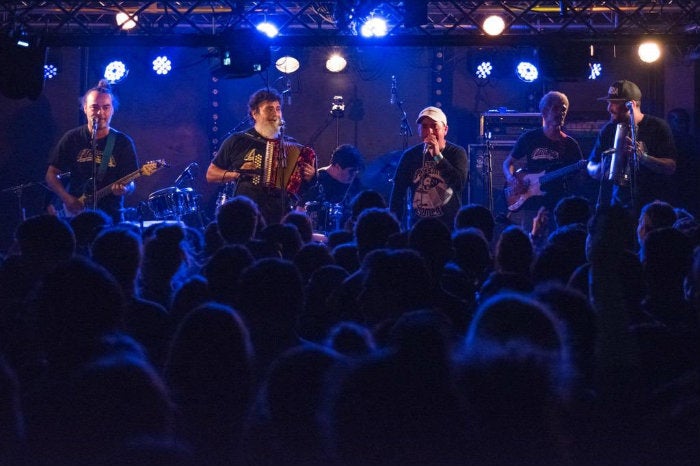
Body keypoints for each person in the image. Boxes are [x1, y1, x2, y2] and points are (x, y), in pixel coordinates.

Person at [206, 88, 316, 225]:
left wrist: (310, 177)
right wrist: (236, 174)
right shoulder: (238, 140)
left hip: (280, 216)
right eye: (269, 109)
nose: (275, 114)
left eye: (278, 109)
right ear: (254, 113)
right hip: (246, 215)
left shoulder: (292, 145)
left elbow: (302, 188)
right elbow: (211, 174)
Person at [45, 79, 139, 223]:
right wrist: (66, 198)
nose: (100, 113)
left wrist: (125, 189)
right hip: (76, 214)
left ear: (112, 110)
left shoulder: (123, 142)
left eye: (106, 107)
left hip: (111, 216)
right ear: (85, 108)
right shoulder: (72, 138)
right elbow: (51, 174)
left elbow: (131, 183)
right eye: (94, 107)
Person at [502, 91, 585, 238]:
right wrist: (512, 179)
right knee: (529, 239)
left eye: (564, 109)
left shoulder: (570, 144)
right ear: (545, 111)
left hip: (557, 204)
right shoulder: (529, 138)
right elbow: (508, 163)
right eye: (556, 109)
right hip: (531, 203)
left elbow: (580, 176)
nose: (561, 113)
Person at [587, 80, 677, 215]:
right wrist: (600, 168)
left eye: (614, 103)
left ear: (631, 105)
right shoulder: (608, 130)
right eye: (608, 102)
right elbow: (590, 165)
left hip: (653, 208)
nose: (609, 108)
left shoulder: (657, 126)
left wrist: (644, 158)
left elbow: (671, 167)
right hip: (618, 207)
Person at [389, 106, 468, 230]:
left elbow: (459, 183)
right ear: (419, 130)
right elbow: (398, 193)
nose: (430, 131)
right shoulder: (410, 155)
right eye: (425, 127)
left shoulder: (456, 153)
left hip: (448, 227)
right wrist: (395, 225)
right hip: (418, 226)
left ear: (445, 129)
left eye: (434, 126)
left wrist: (437, 156)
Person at [302, 143, 365, 232]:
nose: (354, 175)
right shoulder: (316, 180)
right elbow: (300, 209)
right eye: (351, 171)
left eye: (356, 171)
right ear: (337, 166)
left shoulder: (356, 183)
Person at [667, 107, 699, 217]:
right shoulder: (665, 143)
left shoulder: (693, 141)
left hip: (691, 187)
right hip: (673, 186)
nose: (684, 125)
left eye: (686, 121)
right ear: (670, 122)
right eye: (679, 121)